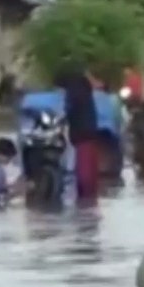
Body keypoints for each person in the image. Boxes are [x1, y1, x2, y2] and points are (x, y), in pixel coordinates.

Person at [56, 66, 101, 201]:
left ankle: (85, 199)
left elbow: (69, 110)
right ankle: (90, 198)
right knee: (90, 169)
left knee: (84, 171)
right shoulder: (85, 91)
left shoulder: (74, 92)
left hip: (82, 134)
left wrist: (61, 119)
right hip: (90, 132)